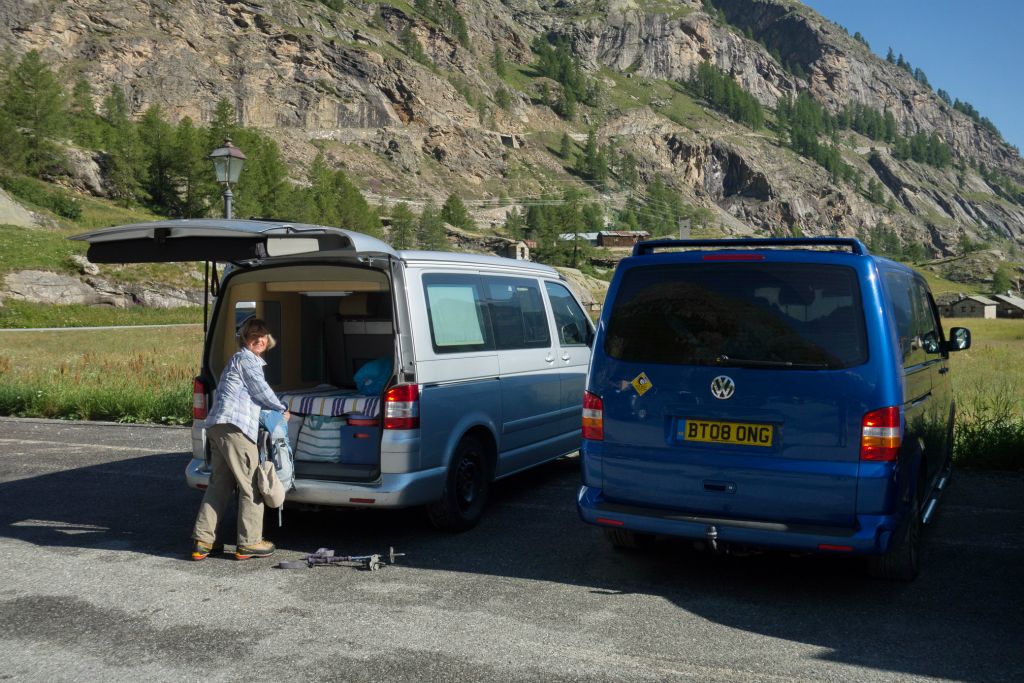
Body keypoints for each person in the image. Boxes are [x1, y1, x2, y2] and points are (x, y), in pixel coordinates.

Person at [191, 317, 290, 561]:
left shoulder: (238, 360)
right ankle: (249, 542)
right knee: (251, 484)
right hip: (235, 428)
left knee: (220, 485)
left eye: (262, 335)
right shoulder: (247, 359)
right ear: (244, 340)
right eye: (253, 336)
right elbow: (260, 390)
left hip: (217, 426)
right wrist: (282, 409)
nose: (259, 339)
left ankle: (203, 541)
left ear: (268, 340)